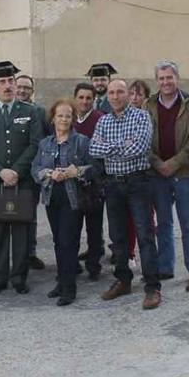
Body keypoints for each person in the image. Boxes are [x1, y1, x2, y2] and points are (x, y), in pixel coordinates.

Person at [89, 79, 162, 310]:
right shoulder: (103, 120)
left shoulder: (141, 117)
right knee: (117, 237)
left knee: (145, 235)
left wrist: (110, 147)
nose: (115, 96)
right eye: (111, 92)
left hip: (138, 182)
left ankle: (152, 287)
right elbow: (94, 149)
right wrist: (122, 145)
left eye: (120, 92)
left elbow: (139, 148)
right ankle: (123, 280)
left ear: (128, 95)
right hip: (113, 185)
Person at [0, 61, 44, 295]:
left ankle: (19, 277)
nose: (8, 86)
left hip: (23, 182)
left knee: (22, 232)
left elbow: (36, 144)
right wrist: (0, 171)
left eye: (11, 81)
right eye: (2, 82)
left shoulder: (32, 112)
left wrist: (16, 170)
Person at [32, 99, 95, 306]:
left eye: (68, 115)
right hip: (52, 197)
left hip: (73, 198)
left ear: (73, 118)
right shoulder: (45, 143)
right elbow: (35, 168)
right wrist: (48, 173)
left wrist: (75, 171)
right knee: (58, 242)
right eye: (60, 115)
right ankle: (61, 282)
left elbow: (94, 167)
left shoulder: (82, 141)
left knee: (69, 242)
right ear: (53, 117)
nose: (64, 119)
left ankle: (69, 288)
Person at [145, 61, 189, 287]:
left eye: (169, 77)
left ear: (177, 78)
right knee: (164, 223)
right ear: (156, 81)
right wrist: (158, 163)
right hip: (157, 173)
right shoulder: (148, 105)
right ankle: (165, 267)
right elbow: (142, 139)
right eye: (161, 78)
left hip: (184, 172)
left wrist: (175, 163)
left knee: (188, 223)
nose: (165, 82)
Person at [16, 74, 47, 271]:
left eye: (27, 88)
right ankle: (13, 256)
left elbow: (42, 141)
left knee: (30, 216)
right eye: (19, 86)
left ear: (32, 91)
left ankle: (30, 253)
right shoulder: (2, 111)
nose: (22, 91)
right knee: (7, 214)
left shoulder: (39, 112)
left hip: (30, 173)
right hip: (7, 173)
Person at [73, 83, 105, 278]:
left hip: (94, 181)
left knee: (94, 227)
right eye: (81, 97)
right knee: (73, 226)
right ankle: (72, 264)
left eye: (88, 98)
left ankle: (94, 265)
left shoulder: (100, 119)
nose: (84, 101)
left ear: (93, 100)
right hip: (71, 181)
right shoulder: (68, 118)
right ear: (75, 98)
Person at [124, 79, 155, 268]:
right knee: (129, 217)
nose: (135, 98)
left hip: (149, 172)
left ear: (146, 97)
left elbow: (143, 145)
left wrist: (133, 144)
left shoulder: (148, 116)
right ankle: (129, 252)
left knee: (148, 219)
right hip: (130, 173)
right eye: (132, 93)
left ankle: (150, 259)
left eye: (139, 94)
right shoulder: (123, 115)